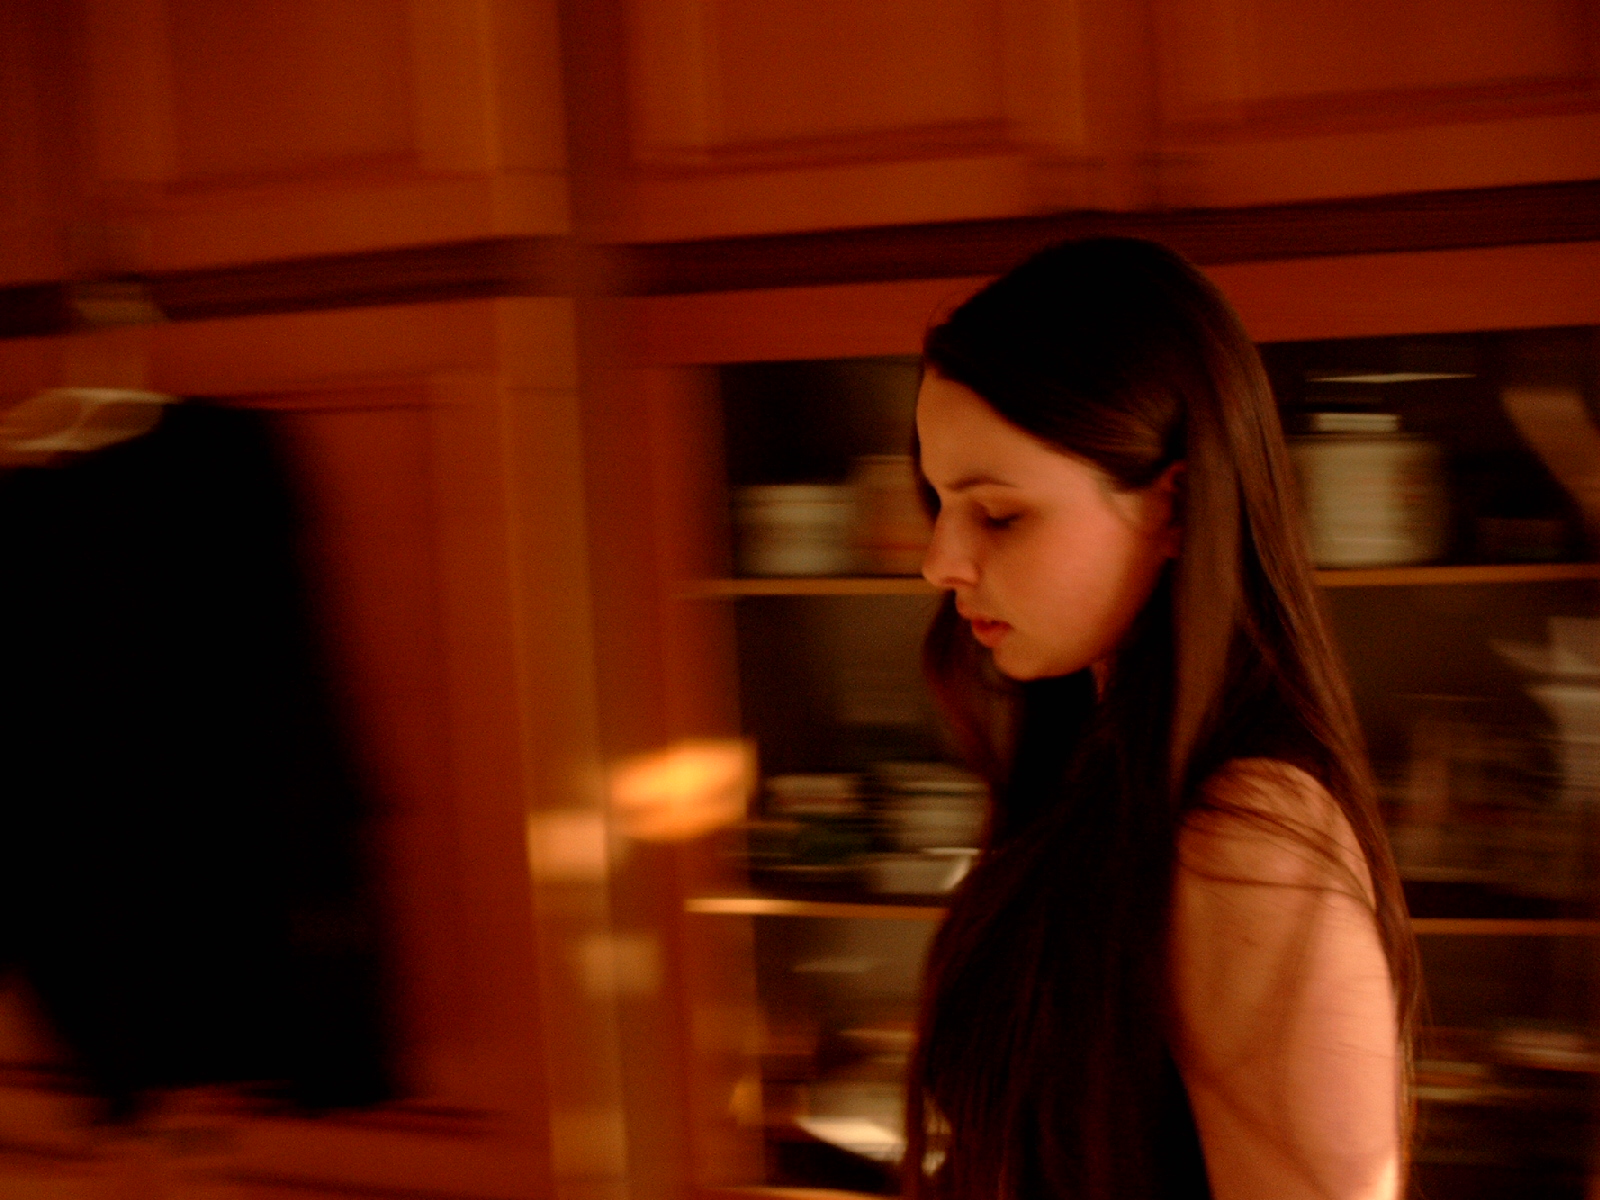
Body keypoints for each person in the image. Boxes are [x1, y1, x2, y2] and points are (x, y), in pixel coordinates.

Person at [905, 237, 1416, 1200]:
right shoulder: (1097, 764)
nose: (941, 561)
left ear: (1175, 505)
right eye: (939, 503)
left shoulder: (1249, 838)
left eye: (999, 514)